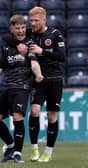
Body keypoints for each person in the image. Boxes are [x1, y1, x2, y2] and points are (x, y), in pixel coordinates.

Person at [18, 6, 65, 162]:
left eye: (36, 20)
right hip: (37, 81)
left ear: (44, 19)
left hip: (55, 80)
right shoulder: (29, 34)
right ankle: (34, 149)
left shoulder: (55, 34)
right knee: (34, 111)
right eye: (31, 20)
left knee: (51, 116)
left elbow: (61, 56)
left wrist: (42, 51)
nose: (33, 23)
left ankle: (48, 151)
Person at [0, 14, 44, 163]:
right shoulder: (6, 45)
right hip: (6, 87)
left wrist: (38, 75)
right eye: (17, 28)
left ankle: (18, 153)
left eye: (23, 27)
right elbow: (1, 66)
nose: (20, 31)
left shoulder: (30, 43)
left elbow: (34, 62)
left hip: (21, 87)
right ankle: (11, 145)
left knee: (17, 118)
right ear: (12, 28)